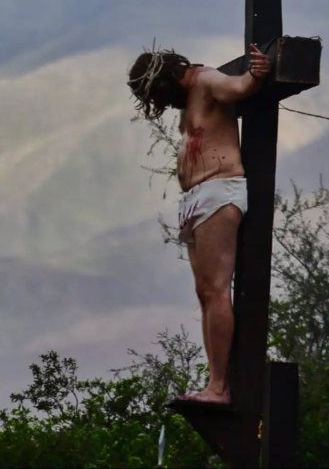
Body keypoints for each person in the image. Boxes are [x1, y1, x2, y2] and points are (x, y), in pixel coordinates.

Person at [127, 43, 271, 404]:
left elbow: (238, 87)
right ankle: (213, 383)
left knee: (216, 290)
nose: (165, 104)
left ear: (170, 79)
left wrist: (256, 73)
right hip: (196, 199)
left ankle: (219, 387)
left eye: (161, 95)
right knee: (205, 293)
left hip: (218, 190)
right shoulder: (189, 95)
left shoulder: (206, 80)